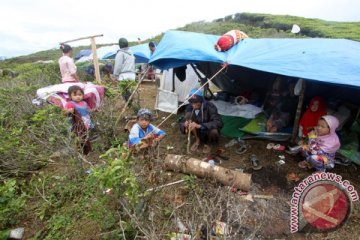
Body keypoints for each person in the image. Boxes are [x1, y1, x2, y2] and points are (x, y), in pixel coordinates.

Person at [180, 88, 223, 153]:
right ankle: (197, 140)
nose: (193, 104)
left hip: (207, 129)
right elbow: (182, 122)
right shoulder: (190, 107)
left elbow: (218, 122)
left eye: (196, 102)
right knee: (188, 116)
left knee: (214, 131)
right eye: (191, 102)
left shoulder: (210, 106)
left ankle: (209, 143)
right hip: (197, 131)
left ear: (201, 101)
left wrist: (200, 126)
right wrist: (184, 124)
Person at [65, 85, 94, 155]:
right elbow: (65, 113)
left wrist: (94, 110)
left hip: (86, 121)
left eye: (80, 94)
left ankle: (88, 150)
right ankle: (81, 151)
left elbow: (88, 111)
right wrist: (69, 111)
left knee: (86, 136)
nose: (78, 96)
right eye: (75, 95)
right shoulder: (70, 104)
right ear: (70, 96)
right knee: (79, 137)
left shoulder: (84, 103)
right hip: (77, 124)